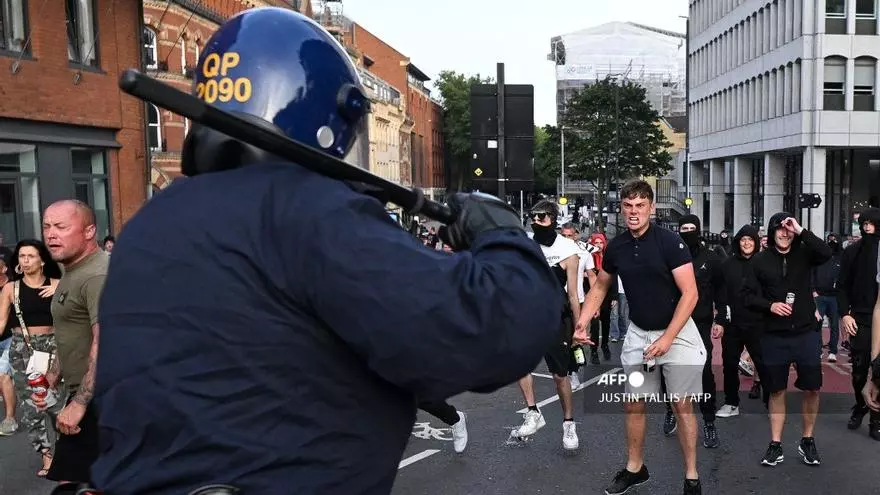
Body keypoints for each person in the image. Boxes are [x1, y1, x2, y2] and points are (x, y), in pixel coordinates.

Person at [90, 8, 564, 495]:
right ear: (329, 114)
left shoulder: (149, 226)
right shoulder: (306, 209)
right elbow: (483, 334)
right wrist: (503, 237)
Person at [576, 179, 705, 495]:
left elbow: (690, 294)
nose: (634, 212)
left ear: (651, 207)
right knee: (634, 402)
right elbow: (602, 287)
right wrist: (582, 321)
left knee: (681, 405)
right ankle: (636, 469)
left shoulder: (671, 243)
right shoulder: (616, 247)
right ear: (622, 208)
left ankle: (691, 476)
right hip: (639, 337)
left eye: (640, 206)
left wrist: (668, 338)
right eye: (628, 206)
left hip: (679, 335)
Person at [742, 213, 831, 466]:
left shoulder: (804, 253)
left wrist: (801, 230)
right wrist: (770, 305)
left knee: (812, 388)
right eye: (779, 229)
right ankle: (775, 444)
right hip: (773, 336)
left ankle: (807, 440)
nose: (784, 233)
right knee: (777, 389)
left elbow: (825, 253)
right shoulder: (759, 260)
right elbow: (747, 296)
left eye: (788, 229)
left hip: (806, 333)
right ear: (771, 233)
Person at [35, 201, 108, 486]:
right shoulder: (73, 270)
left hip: (103, 397)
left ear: (89, 231)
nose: (51, 234)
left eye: (61, 227)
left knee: (72, 482)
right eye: (46, 226)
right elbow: (73, 329)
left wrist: (80, 402)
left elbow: (106, 339)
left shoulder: (97, 275)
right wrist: (55, 372)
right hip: (87, 393)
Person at [514, 200, 585, 450]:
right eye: (533, 217)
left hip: (556, 318)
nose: (536, 221)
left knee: (559, 375)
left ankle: (568, 423)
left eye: (542, 217)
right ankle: (533, 412)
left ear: (553, 219)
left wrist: (580, 327)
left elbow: (574, 295)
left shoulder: (568, 250)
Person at [659, 215, 726, 449]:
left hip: (701, 322)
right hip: (673, 322)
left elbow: (721, 290)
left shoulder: (711, 258)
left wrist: (721, 319)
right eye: (683, 228)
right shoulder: (670, 256)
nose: (687, 232)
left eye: (691, 228)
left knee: (705, 373)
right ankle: (670, 410)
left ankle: (709, 422)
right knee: (667, 371)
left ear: (699, 230)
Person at [0, 240, 62, 475]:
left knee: (56, 401)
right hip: (22, 349)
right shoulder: (11, 289)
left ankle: (66, 452)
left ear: (42, 259)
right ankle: (46, 455)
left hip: (53, 347)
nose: (25, 260)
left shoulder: (58, 284)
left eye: (30, 256)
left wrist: (61, 290)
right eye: (22, 256)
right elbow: (1, 322)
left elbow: (75, 313)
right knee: (31, 406)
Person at [716, 225, 769, 418]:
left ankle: (770, 401)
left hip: (759, 322)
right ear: (738, 242)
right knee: (729, 364)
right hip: (733, 323)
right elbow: (721, 294)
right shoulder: (727, 264)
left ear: (756, 243)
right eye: (743, 240)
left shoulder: (764, 262)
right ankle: (731, 403)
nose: (746, 243)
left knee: (764, 364)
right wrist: (720, 319)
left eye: (750, 240)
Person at [837, 208, 880, 439]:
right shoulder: (852, 252)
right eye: (864, 223)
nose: (867, 227)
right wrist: (845, 314)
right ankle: (860, 405)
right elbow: (841, 285)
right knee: (859, 372)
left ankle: (876, 419)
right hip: (860, 318)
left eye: (872, 224)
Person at [812, 233, 842, 362]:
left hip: (834, 297)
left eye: (834, 240)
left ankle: (833, 351)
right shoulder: (819, 257)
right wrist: (813, 291)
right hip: (819, 295)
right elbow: (812, 273)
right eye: (830, 239)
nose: (832, 242)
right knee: (817, 324)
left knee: (834, 325)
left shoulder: (841, 258)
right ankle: (817, 350)